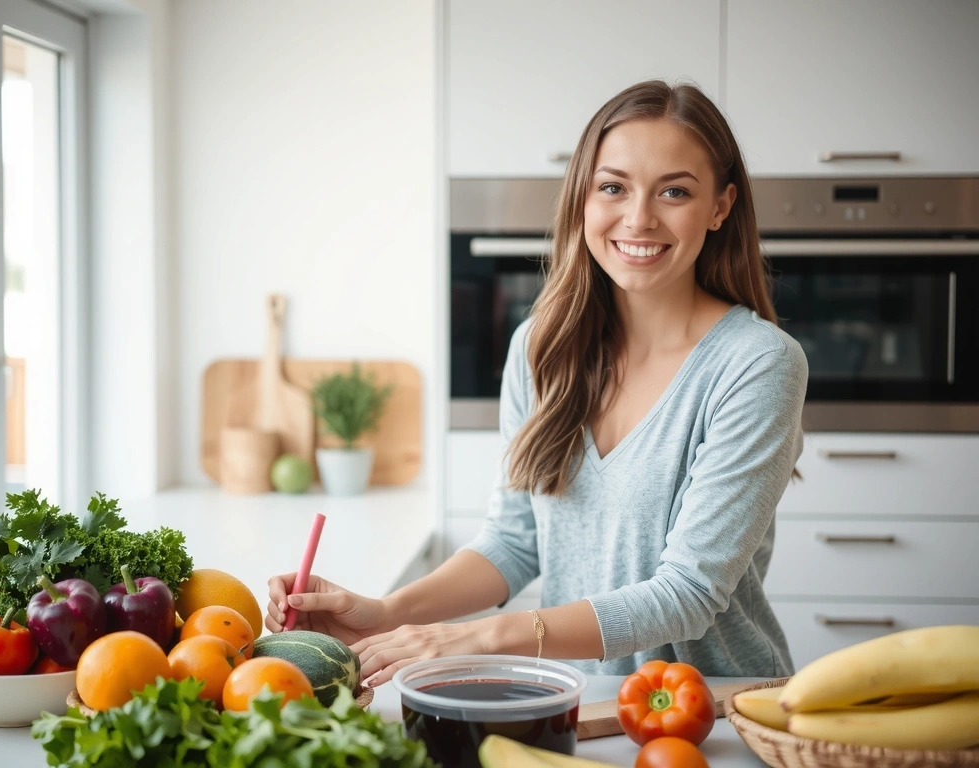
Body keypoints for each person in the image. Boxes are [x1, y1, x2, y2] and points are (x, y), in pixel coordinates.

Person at [266, 79, 807, 687]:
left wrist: (472, 638)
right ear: (582, 197)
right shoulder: (540, 348)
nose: (639, 218)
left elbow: (686, 593)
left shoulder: (757, 364)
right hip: (577, 696)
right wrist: (387, 614)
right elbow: (516, 540)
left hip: (715, 705)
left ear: (720, 206)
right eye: (613, 187)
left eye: (674, 191)